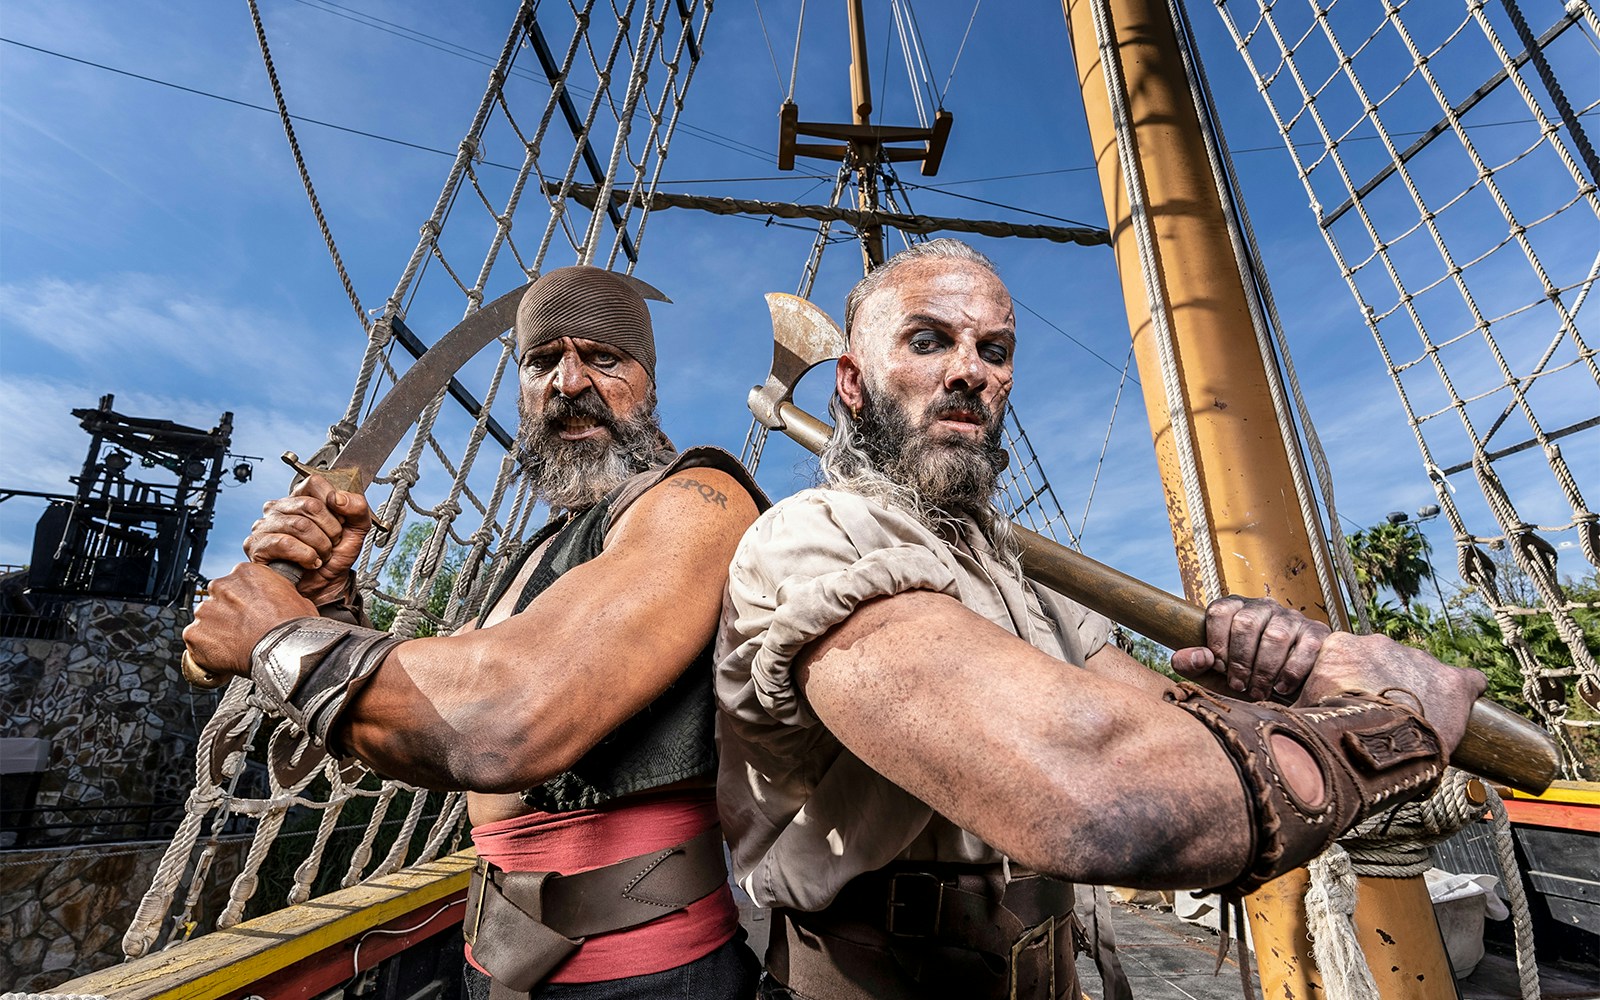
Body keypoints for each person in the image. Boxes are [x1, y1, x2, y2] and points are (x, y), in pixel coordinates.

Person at [713, 239, 1486, 1000]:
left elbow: (1162, 726)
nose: (968, 371)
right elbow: (1088, 790)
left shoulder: (1026, 572)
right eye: (928, 340)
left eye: (995, 349)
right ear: (851, 383)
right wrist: (1392, 727)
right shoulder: (812, 540)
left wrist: (1261, 694)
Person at [183, 266, 765, 1000]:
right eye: (542, 361)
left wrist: (277, 637)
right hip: (495, 964)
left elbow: (501, 724)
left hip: (646, 977)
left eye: (604, 359)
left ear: (648, 385)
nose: (569, 383)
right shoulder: (539, 554)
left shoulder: (696, 501)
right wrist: (328, 606)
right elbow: (426, 723)